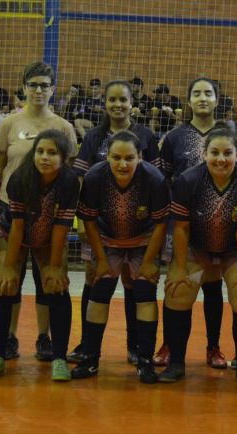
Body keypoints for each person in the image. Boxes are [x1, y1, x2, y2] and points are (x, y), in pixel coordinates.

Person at [158, 123, 237, 385]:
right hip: (197, 245)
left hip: (235, 248)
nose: (221, 159)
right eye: (214, 153)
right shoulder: (188, 181)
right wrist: (181, 269)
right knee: (177, 290)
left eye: (227, 153)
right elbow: (181, 229)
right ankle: (176, 363)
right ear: (204, 154)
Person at [69, 79, 158, 365]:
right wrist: (82, 223)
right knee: (94, 281)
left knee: (137, 285)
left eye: (123, 100)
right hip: (101, 226)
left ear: (132, 103)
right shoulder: (94, 137)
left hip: (139, 229)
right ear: (104, 103)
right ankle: (87, 345)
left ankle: (136, 346)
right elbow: (82, 178)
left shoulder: (146, 136)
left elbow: (155, 180)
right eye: (112, 100)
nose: (118, 105)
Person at [0, 61, 78, 360]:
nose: (39, 90)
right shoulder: (8, 124)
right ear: (24, 88)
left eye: (45, 85)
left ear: (53, 90)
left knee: (49, 279)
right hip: (11, 208)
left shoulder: (64, 127)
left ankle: (45, 338)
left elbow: (68, 174)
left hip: (50, 213)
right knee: (9, 276)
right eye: (33, 85)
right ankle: (9, 336)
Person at [0, 129, 78, 381]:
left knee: (56, 286)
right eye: (40, 151)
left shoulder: (68, 182)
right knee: (5, 285)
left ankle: (58, 358)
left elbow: (60, 229)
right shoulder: (20, 179)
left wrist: (55, 267)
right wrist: (10, 266)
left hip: (48, 238)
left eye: (52, 153)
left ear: (64, 157)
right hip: (12, 234)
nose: (44, 157)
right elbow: (18, 227)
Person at [71, 130, 169, 383]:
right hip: (106, 239)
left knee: (145, 294)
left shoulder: (154, 179)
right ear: (107, 156)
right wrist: (101, 259)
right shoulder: (94, 177)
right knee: (99, 292)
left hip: (143, 240)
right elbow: (89, 221)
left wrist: (148, 262)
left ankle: (145, 360)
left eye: (129, 158)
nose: (123, 164)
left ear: (140, 157)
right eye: (116, 157)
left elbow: (160, 225)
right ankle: (91, 358)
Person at [155, 78, 228, 370]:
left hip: (218, 224)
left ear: (216, 99)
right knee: (177, 284)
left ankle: (213, 346)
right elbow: (163, 182)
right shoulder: (174, 137)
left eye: (208, 93)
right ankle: (169, 343)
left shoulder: (229, 134)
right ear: (188, 101)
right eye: (196, 93)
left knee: (212, 286)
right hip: (182, 223)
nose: (202, 98)